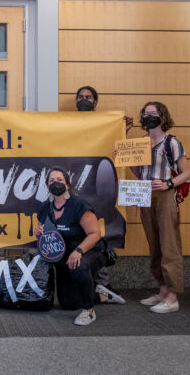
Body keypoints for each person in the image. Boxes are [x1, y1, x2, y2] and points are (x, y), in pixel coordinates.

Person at [129, 102, 190, 314]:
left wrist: (168, 184)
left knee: (169, 244)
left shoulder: (171, 143)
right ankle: (162, 290)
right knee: (154, 245)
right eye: (146, 113)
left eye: (153, 113)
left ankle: (172, 296)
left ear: (162, 116)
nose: (149, 116)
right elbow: (135, 168)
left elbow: (186, 173)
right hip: (146, 195)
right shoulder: (141, 143)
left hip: (165, 196)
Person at [74, 85, 127, 305]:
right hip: (77, 185)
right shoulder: (67, 123)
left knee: (103, 233)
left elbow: (118, 149)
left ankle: (102, 281)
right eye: (80, 97)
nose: (84, 100)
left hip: (98, 186)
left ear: (96, 102)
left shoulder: (107, 124)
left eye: (88, 97)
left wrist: (123, 130)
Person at [35, 167, 106, 326]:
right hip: (64, 255)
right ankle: (99, 293)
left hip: (89, 250)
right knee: (68, 304)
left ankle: (89, 311)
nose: (55, 183)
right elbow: (44, 236)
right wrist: (38, 232)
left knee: (78, 266)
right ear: (47, 186)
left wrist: (79, 251)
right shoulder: (45, 208)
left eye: (59, 180)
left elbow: (95, 234)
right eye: (51, 180)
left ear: (67, 185)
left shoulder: (79, 205)